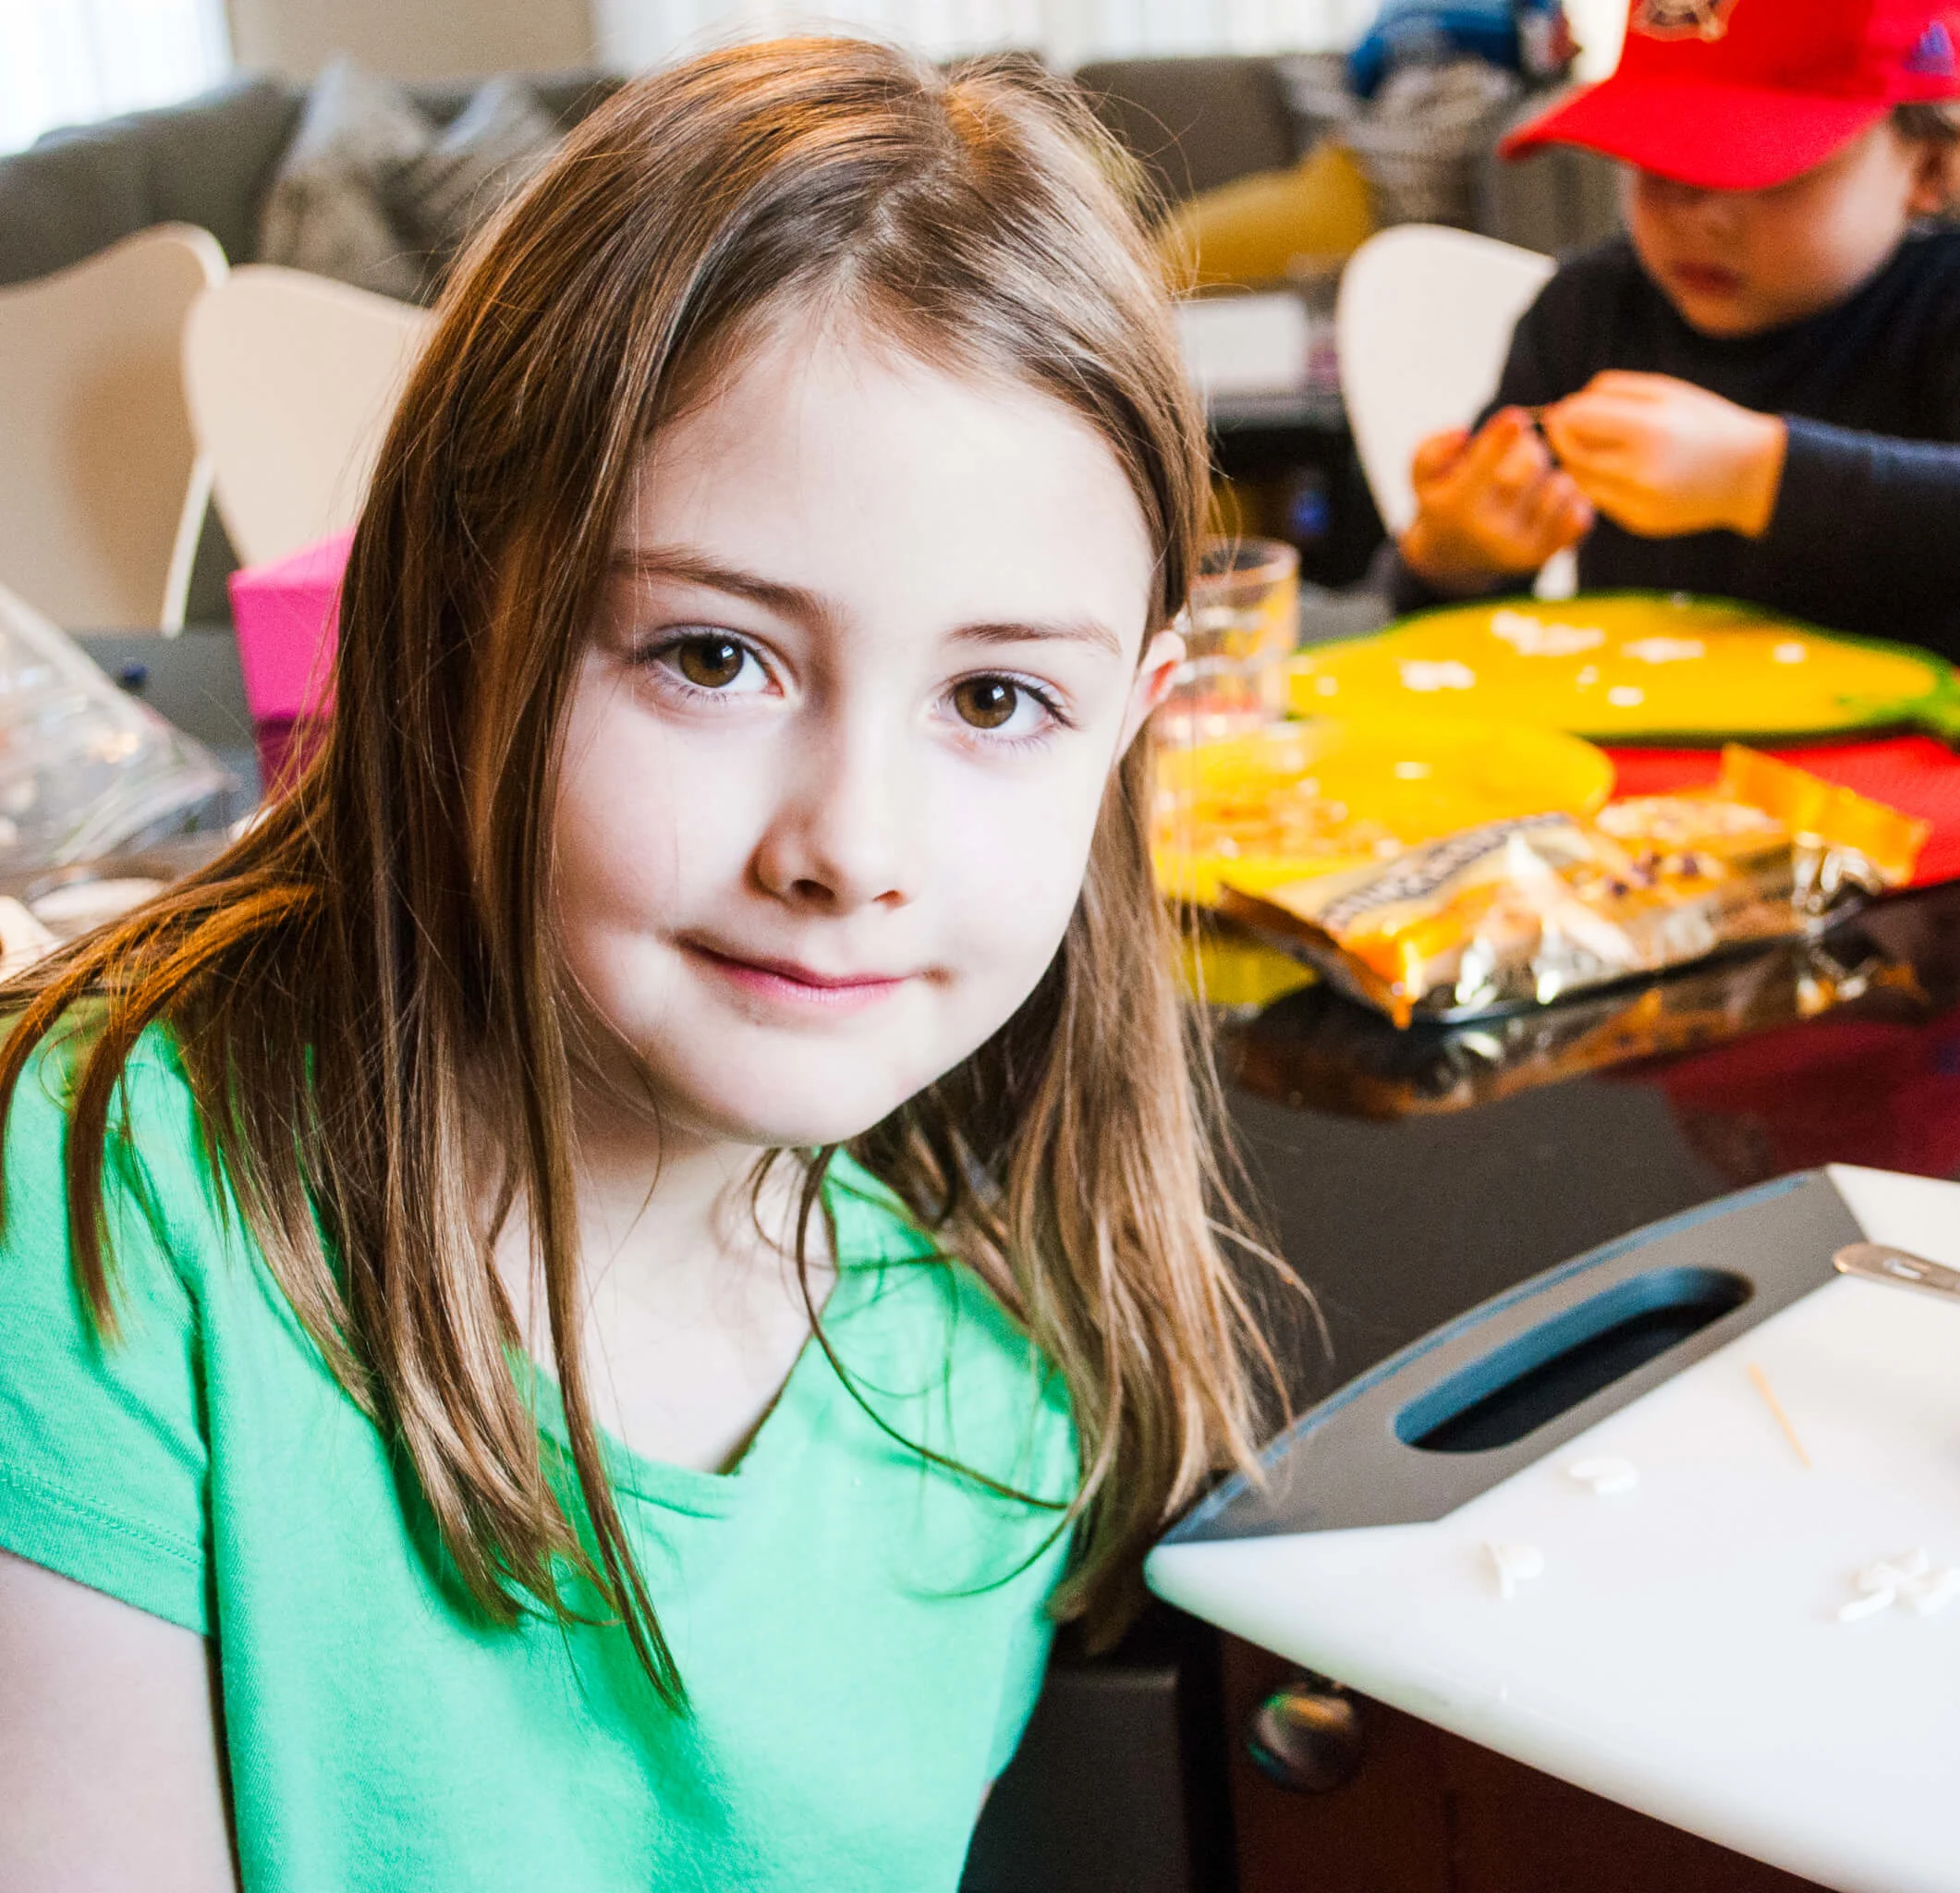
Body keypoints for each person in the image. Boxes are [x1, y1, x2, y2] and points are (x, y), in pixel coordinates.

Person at [0, 41, 1288, 1892]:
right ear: (453, 619)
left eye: (997, 698)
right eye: (709, 656)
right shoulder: (113, 1192)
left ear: (1129, 731)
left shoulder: (1000, 1421)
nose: (850, 844)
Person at [1391, 0, 1960, 669]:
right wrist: (1453, 556)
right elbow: (1459, 656)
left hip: (1926, 798)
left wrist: (1753, 474)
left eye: (1754, 163)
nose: (1694, 209)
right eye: (1655, 154)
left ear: (1938, 163)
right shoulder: (1587, 313)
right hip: (1647, 798)